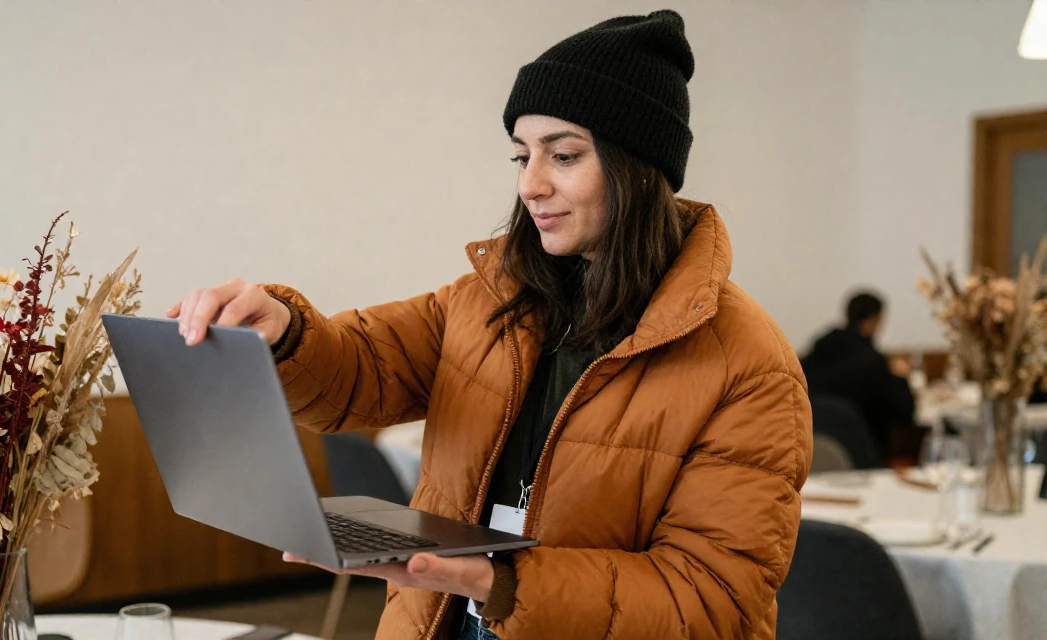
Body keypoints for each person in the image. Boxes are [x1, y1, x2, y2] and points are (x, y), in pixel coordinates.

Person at [169, 12, 812, 639]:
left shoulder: (748, 363)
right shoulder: (489, 300)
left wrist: (500, 581)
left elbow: (710, 598)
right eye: (520, 156)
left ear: (640, 169)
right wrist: (284, 330)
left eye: (563, 155)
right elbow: (360, 367)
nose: (530, 184)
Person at [801, 291, 916, 459]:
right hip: (866, 456)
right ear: (873, 320)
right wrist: (901, 378)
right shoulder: (872, 362)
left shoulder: (819, 350)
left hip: (812, 451)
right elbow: (905, 413)